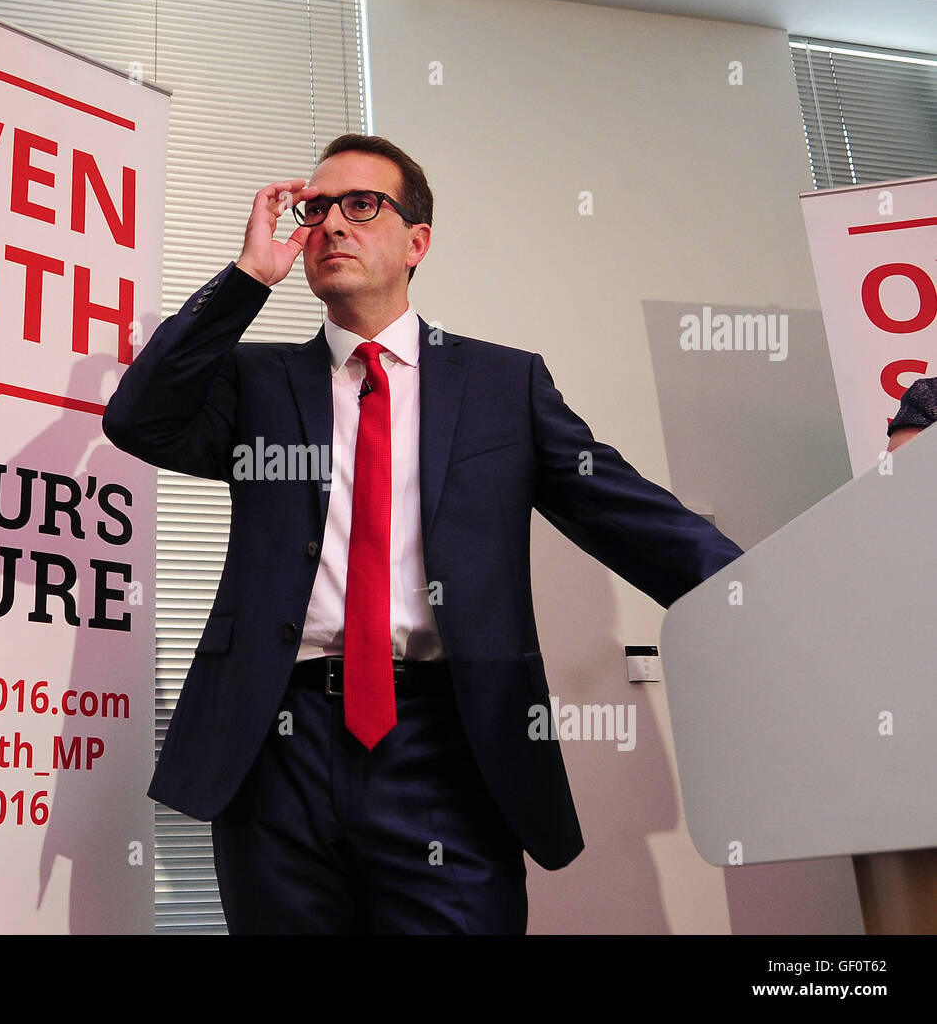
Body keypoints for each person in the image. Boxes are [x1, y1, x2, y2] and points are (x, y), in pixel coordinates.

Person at [103, 133, 744, 933]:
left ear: (418, 241)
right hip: (278, 747)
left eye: (362, 204)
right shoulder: (256, 385)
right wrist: (246, 279)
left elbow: (623, 511)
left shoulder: (503, 386)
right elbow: (139, 419)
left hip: (448, 747)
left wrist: (762, 594)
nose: (333, 223)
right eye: (317, 208)